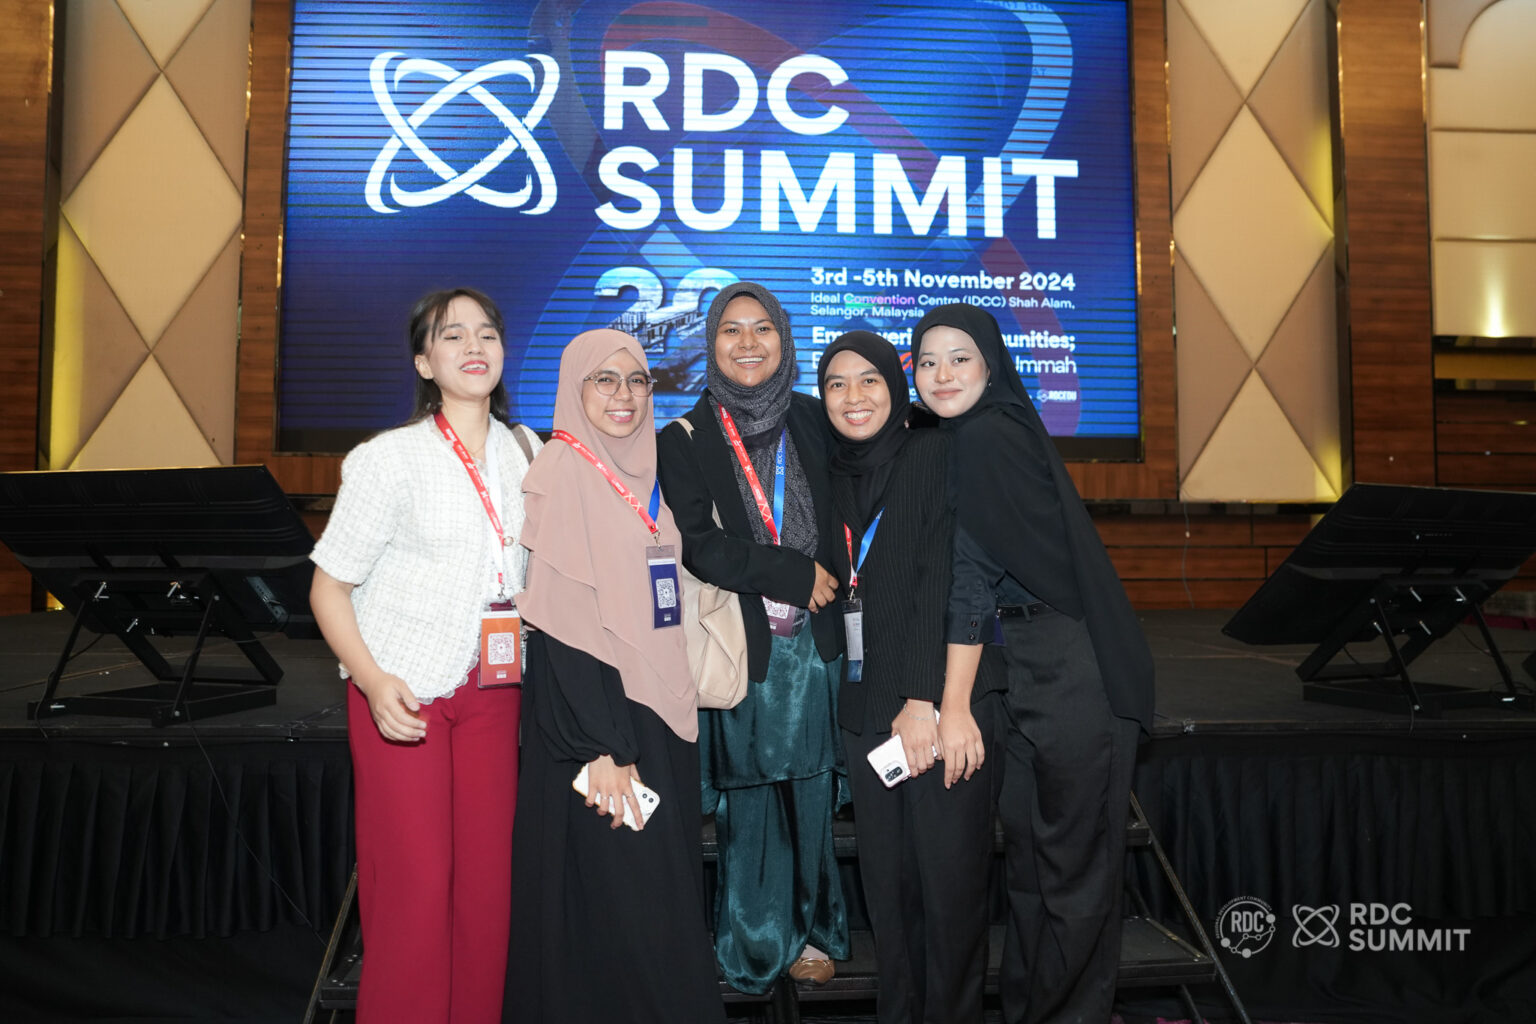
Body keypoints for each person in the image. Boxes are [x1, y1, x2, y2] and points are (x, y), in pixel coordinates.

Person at [911, 302, 1155, 1024]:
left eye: (960, 358)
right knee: (1031, 871)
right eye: (927, 361)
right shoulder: (974, 434)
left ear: (991, 365)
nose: (942, 373)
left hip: (1072, 669)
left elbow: (971, 579)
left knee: (1071, 877)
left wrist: (953, 704)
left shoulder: (988, 434)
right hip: (1022, 663)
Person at [308, 287, 541, 1024]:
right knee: (415, 886)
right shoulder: (388, 459)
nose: (474, 346)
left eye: (487, 333)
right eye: (452, 335)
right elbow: (328, 588)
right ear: (423, 362)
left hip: (496, 693)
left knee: (486, 890)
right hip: (402, 693)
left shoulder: (529, 452)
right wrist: (372, 681)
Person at [504, 329, 724, 1024]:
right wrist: (600, 745)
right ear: (574, 389)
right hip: (601, 728)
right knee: (624, 914)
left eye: (636, 380)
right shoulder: (567, 470)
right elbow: (563, 626)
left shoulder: (644, 471)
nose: (623, 395)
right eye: (604, 379)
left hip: (654, 715)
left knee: (649, 908)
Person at [656, 282, 850, 991]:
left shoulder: (818, 419)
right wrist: (791, 571)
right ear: (711, 343)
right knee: (755, 800)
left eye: (762, 328)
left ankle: (817, 931)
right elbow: (699, 545)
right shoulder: (684, 438)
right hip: (747, 647)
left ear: (784, 338)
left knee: (813, 794)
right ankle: (756, 942)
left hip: (820, 645)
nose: (747, 343)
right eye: (730, 329)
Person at [817, 330, 1007, 1024]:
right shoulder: (834, 471)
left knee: (950, 897)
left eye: (869, 379)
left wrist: (923, 699)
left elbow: (944, 580)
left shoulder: (933, 453)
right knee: (890, 900)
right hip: (867, 706)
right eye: (836, 383)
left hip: (938, 704)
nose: (853, 396)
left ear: (896, 390)